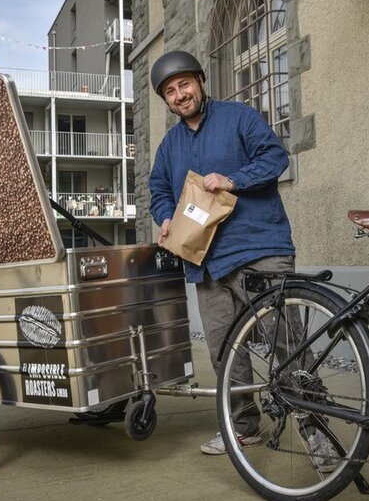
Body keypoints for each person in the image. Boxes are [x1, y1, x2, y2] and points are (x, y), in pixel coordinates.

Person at [147, 50, 336, 471]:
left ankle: (315, 428)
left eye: (184, 84)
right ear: (166, 100)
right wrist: (163, 218)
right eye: (170, 91)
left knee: (286, 342)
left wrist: (232, 179)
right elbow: (158, 189)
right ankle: (245, 422)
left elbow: (275, 158)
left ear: (199, 81)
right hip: (206, 263)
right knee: (223, 349)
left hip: (259, 250)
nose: (180, 95)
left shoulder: (239, 117)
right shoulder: (169, 146)